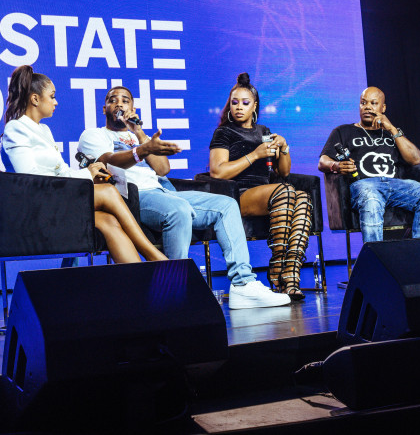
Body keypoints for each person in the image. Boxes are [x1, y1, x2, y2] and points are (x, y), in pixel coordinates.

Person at [77, 85, 290, 309]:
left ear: (133, 107)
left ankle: (243, 285)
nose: (119, 104)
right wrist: (142, 150)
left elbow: (162, 169)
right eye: (113, 100)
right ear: (104, 108)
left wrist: (140, 135)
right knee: (177, 210)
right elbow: (109, 160)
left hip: (164, 190)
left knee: (226, 205)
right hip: (133, 196)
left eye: (125, 100)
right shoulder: (94, 135)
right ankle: (173, 291)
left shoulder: (138, 136)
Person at [1, 65, 167, 265]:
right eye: (52, 96)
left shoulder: (43, 130)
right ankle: (154, 256)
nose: (56, 102)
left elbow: (60, 171)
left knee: (109, 221)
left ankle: (140, 280)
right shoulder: (16, 129)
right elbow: (30, 179)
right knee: (108, 192)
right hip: (36, 206)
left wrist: (90, 172)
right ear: (35, 99)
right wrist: (86, 175)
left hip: (55, 198)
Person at [209, 73, 313, 302]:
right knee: (285, 191)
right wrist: (254, 154)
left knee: (303, 197)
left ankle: (290, 274)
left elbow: (283, 172)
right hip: (238, 194)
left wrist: (284, 147)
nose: (239, 107)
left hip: (269, 193)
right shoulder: (224, 132)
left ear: (254, 106)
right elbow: (217, 171)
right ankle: (277, 268)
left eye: (245, 103)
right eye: (234, 102)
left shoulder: (264, 131)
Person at [318, 86, 420, 242]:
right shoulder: (343, 131)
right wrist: (336, 165)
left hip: (396, 185)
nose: (367, 107)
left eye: (373, 103)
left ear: (383, 108)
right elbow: (322, 161)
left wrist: (391, 128)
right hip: (365, 185)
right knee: (371, 196)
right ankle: (376, 259)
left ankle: (419, 255)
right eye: (363, 103)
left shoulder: (392, 134)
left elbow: (415, 159)